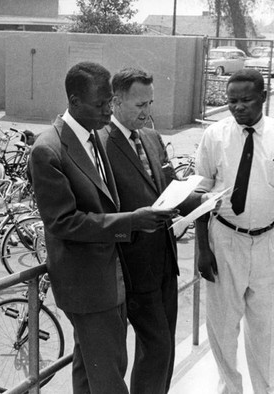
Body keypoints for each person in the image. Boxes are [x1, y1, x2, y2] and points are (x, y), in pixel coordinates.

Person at [28, 62, 176, 394]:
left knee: (88, 371)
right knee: (110, 377)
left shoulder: (93, 136)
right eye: (100, 105)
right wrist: (131, 221)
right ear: (74, 100)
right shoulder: (48, 149)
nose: (108, 111)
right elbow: (62, 222)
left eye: (110, 102)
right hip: (87, 285)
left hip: (111, 277)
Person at [195, 69, 274, 393]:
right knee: (223, 328)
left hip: (269, 242)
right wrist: (203, 248)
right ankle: (230, 387)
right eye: (231, 101)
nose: (238, 107)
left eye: (245, 100)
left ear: (263, 97)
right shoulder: (214, 136)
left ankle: (266, 389)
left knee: (265, 329)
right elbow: (200, 192)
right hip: (225, 239)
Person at [98, 67, 202, 394]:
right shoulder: (100, 144)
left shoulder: (151, 138)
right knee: (156, 347)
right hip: (131, 265)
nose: (147, 112)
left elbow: (170, 188)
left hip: (164, 262)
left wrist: (206, 199)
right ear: (115, 102)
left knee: (163, 347)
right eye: (140, 105)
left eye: (150, 104)